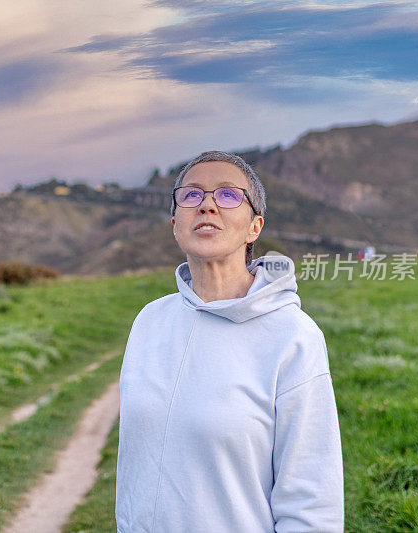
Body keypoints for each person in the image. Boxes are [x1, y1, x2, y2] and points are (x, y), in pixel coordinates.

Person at [114, 151, 344, 532]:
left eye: (228, 195)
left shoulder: (293, 337)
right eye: (191, 196)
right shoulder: (150, 322)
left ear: (255, 227)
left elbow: (312, 503)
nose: (206, 205)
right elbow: (137, 470)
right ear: (175, 223)